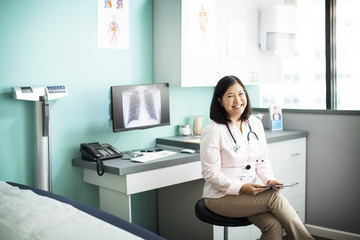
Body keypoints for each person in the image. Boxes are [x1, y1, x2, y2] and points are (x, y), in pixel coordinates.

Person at [200, 75, 313, 240]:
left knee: (273, 226)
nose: (237, 100)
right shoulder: (213, 130)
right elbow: (210, 174)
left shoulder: (255, 124)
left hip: (248, 195)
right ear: (219, 100)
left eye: (241, 93)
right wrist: (241, 187)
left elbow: (261, 160)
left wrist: (269, 180)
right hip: (220, 196)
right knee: (273, 197)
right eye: (230, 96)